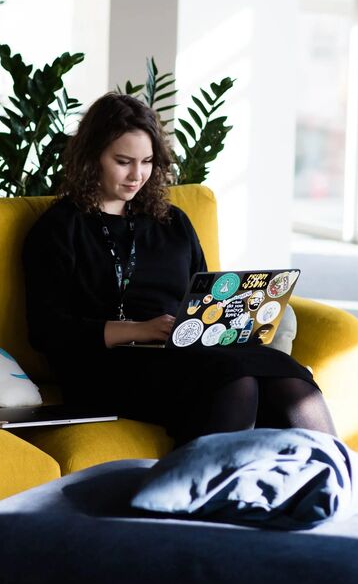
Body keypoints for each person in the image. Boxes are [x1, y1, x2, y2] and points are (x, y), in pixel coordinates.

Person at [22, 92, 336, 444]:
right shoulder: (59, 228)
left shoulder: (173, 223)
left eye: (147, 162)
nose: (136, 175)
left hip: (184, 353)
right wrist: (139, 330)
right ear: (92, 157)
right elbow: (47, 330)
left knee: (287, 373)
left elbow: (200, 298)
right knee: (235, 379)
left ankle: (337, 478)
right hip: (104, 366)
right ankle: (210, 491)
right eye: (123, 161)